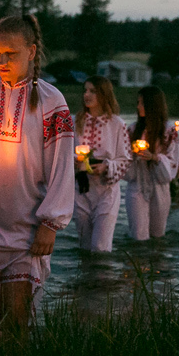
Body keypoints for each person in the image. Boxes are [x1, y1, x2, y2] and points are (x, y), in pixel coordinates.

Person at [0, 14, 75, 335]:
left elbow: (62, 168)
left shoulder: (51, 102)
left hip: (26, 230)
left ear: (31, 52)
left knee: (16, 320)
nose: (2, 61)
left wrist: (51, 224)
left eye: (12, 54)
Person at [72, 76, 130, 252]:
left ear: (104, 95)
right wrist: (73, 162)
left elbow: (125, 159)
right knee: (84, 246)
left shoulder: (117, 124)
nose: (87, 95)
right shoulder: (75, 121)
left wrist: (106, 166)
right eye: (85, 90)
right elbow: (63, 153)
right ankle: (86, 279)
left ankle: (103, 279)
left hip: (107, 190)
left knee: (100, 247)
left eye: (93, 91)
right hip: (81, 189)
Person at [125, 86, 179, 241]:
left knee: (158, 234)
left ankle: (156, 263)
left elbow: (172, 162)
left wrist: (154, 157)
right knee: (138, 235)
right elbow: (125, 161)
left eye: (141, 103)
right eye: (137, 102)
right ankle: (138, 262)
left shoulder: (169, 131)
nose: (138, 106)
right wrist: (132, 155)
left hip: (159, 186)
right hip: (137, 185)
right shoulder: (133, 129)